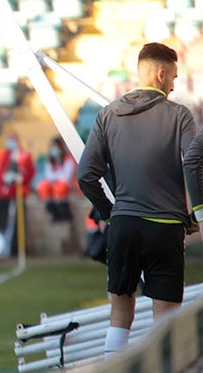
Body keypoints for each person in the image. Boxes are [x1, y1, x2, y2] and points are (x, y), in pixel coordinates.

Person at [77, 42, 196, 355]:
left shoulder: (107, 115)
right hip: (165, 227)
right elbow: (194, 162)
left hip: (124, 226)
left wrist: (109, 213)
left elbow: (85, 175)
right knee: (166, 319)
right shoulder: (179, 116)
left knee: (120, 314)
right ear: (159, 74)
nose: (174, 84)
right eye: (173, 76)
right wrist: (195, 212)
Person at [36, 135, 77, 223]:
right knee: (43, 186)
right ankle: (50, 207)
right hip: (54, 183)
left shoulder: (68, 159)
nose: (54, 150)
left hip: (65, 184)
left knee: (60, 188)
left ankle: (62, 209)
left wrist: (56, 177)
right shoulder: (50, 161)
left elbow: (66, 176)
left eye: (56, 147)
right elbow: (48, 175)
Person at [0, 131, 35, 200]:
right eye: (10, 140)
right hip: (0, 188)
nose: (11, 142)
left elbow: (30, 172)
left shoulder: (25, 156)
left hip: (17, 189)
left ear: (17, 141)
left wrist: (20, 178)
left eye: (13, 140)